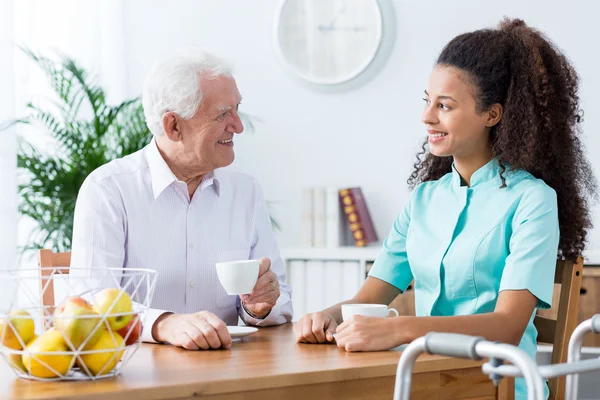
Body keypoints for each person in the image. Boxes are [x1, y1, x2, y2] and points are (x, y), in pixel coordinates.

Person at [294, 18, 597, 399]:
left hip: (496, 385)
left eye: (445, 105)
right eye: (427, 101)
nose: (427, 116)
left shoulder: (532, 200)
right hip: (422, 378)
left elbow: (507, 327)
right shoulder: (424, 199)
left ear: (493, 114)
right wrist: (326, 316)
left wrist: (401, 329)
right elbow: (371, 298)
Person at [71, 49, 292, 351]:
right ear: (173, 126)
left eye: (237, 109)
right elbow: (91, 299)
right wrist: (164, 324)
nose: (238, 126)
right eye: (223, 114)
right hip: (134, 374)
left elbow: (279, 301)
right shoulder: (108, 189)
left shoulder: (246, 189)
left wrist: (260, 305)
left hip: (226, 371)